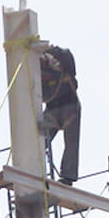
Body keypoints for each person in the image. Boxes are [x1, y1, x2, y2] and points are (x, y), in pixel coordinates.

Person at [39, 45, 81, 186]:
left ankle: (68, 176)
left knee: (71, 143)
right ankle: (34, 169)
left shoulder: (61, 63)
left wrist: (46, 50)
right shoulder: (39, 76)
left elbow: (66, 54)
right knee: (39, 140)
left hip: (70, 107)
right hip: (52, 110)